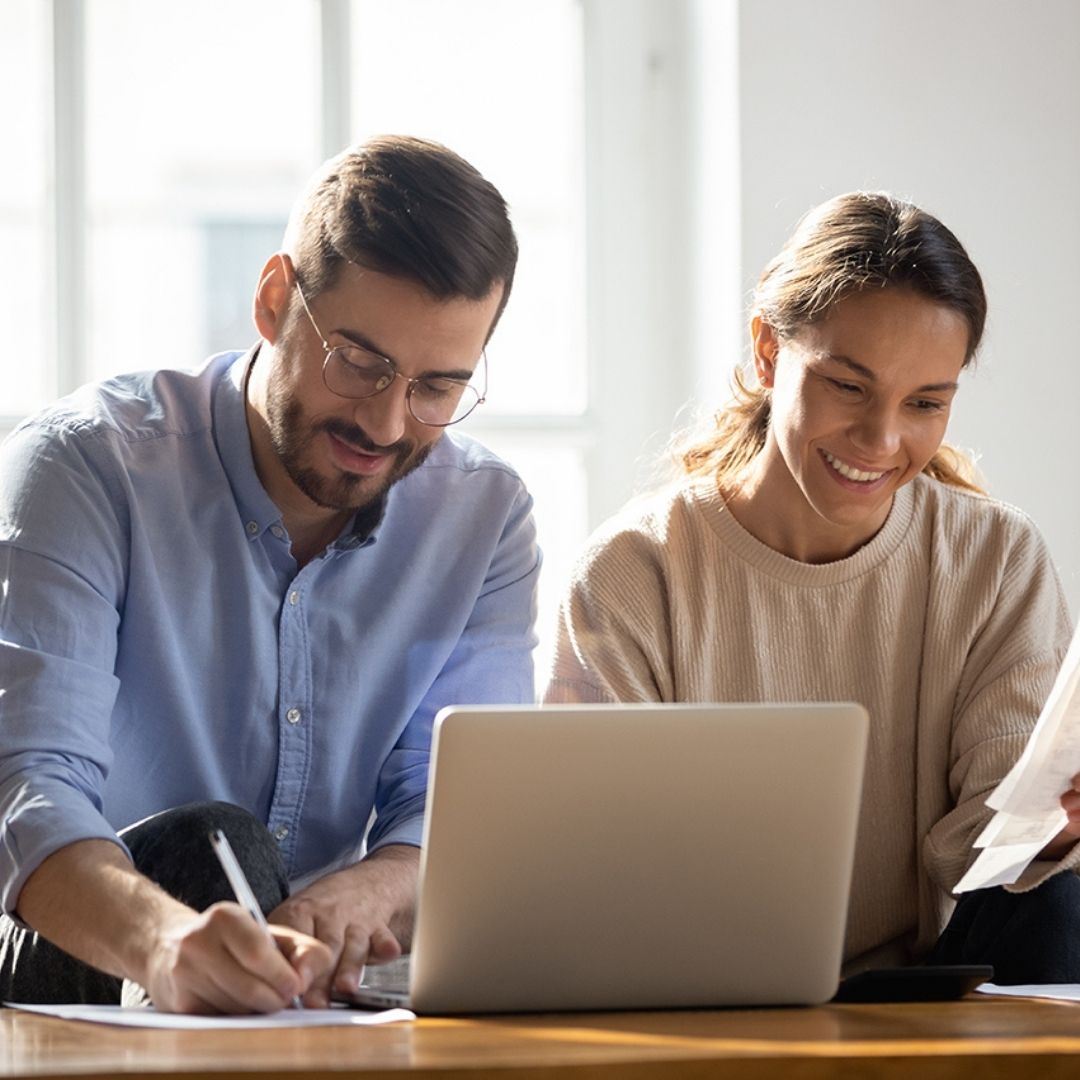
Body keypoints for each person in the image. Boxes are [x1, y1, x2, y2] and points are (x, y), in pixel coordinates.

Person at [0, 135, 540, 1013]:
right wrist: (166, 942)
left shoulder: (483, 517)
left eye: (437, 386)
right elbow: (27, 788)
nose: (386, 421)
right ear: (274, 298)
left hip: (309, 987)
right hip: (81, 933)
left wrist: (366, 891)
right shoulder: (84, 466)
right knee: (215, 843)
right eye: (359, 362)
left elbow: (456, 804)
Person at [543, 191, 1080, 982]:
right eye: (848, 386)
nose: (883, 441)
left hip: (927, 991)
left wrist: (1054, 825)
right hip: (697, 990)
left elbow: (992, 855)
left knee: (1060, 909)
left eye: (925, 403)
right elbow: (595, 867)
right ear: (767, 352)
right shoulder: (635, 573)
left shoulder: (995, 557)